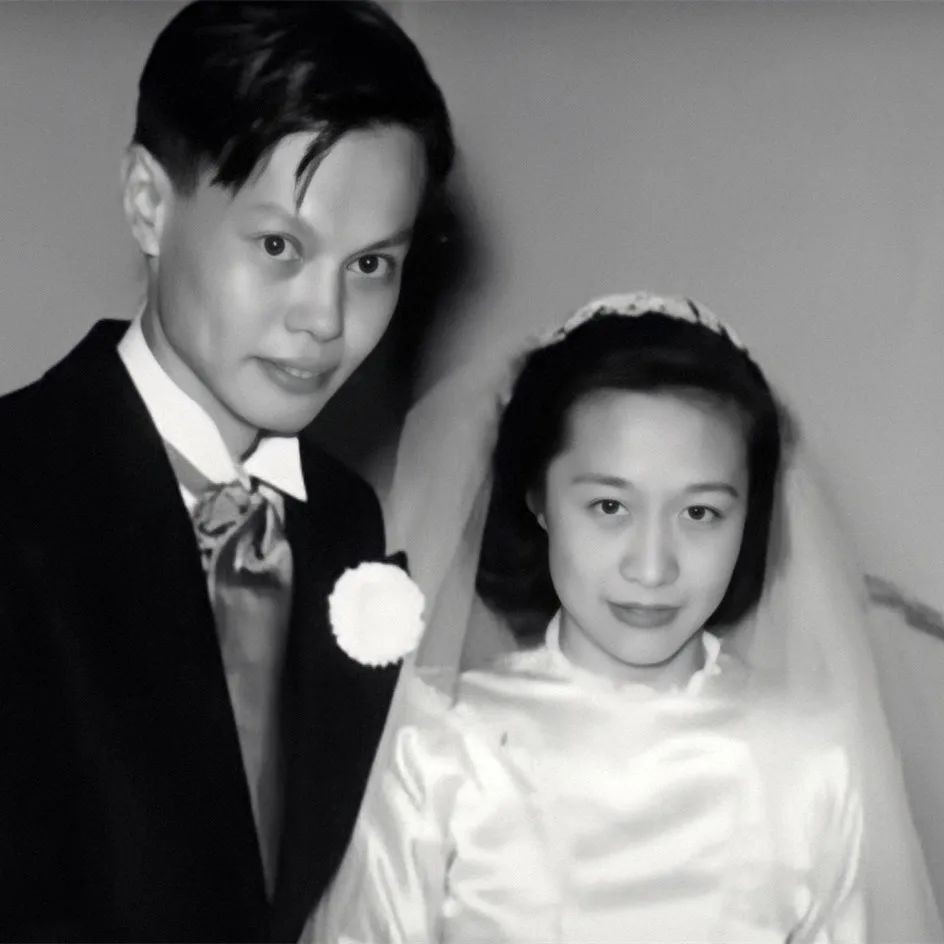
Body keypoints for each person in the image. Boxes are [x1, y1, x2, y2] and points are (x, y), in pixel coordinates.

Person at [0, 2, 453, 941]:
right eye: (280, 246)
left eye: (372, 264)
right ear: (148, 203)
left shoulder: (342, 518)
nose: (325, 319)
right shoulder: (18, 485)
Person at [309, 293, 943, 942]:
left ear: (751, 516)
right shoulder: (439, 747)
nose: (652, 567)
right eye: (610, 507)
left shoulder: (813, 760)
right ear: (538, 498)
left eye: (700, 513)